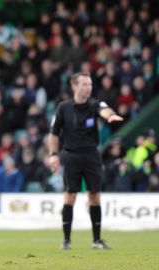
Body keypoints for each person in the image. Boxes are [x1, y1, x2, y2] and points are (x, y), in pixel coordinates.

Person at [48, 72, 123, 250]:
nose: (88, 88)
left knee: (94, 197)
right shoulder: (63, 107)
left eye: (90, 84)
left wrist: (110, 115)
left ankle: (96, 240)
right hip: (71, 155)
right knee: (70, 196)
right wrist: (53, 154)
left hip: (91, 156)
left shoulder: (94, 104)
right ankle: (66, 241)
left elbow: (104, 109)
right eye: (84, 84)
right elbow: (54, 133)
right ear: (75, 86)